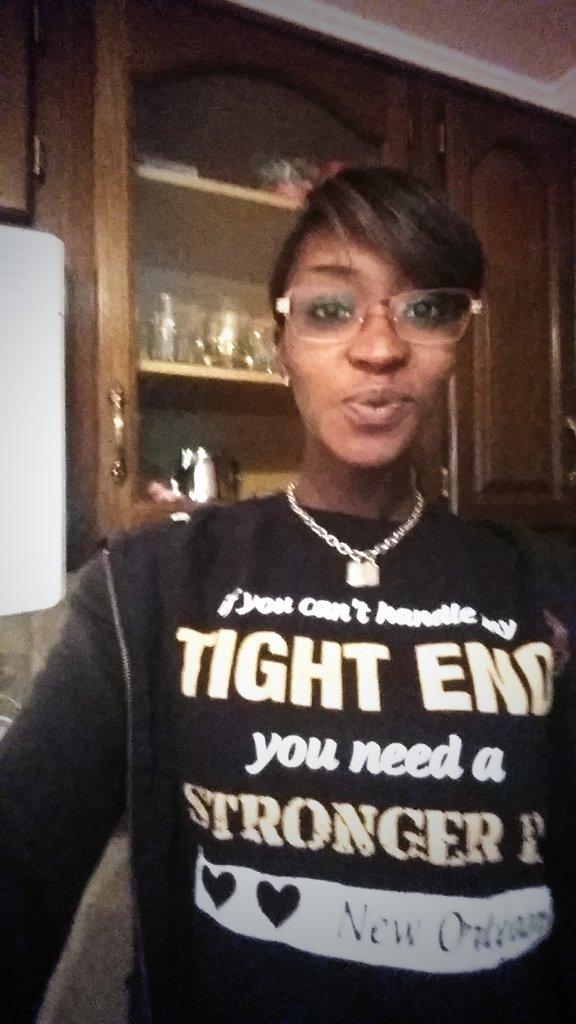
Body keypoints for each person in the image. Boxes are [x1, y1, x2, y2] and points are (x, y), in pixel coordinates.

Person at [1, 166, 574, 1024]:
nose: (379, 349)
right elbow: (18, 867)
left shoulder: (548, 585)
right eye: (330, 309)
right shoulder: (151, 585)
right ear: (282, 351)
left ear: (455, 347)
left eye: (425, 308)